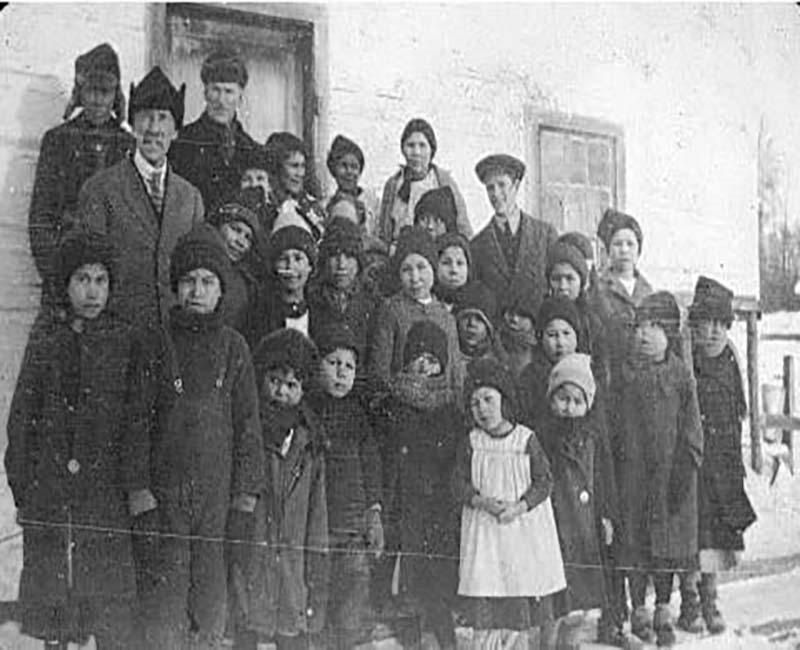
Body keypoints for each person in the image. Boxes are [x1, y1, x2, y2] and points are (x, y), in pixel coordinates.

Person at [5, 231, 144, 650]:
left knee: (105, 601)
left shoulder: (122, 341)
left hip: (104, 497)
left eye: (101, 280)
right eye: (82, 279)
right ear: (65, 284)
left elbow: (135, 420)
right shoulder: (46, 339)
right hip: (50, 492)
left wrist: (133, 484)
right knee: (55, 599)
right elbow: (21, 421)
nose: (92, 291)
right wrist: (25, 490)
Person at [135, 229, 265, 650]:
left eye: (208, 281)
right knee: (167, 592)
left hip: (218, 492)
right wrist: (139, 491)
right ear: (175, 287)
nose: (197, 290)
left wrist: (245, 497)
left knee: (211, 590)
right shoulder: (157, 342)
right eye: (188, 280)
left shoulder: (234, 348)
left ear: (221, 289)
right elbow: (136, 421)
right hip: (166, 489)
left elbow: (248, 425)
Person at [78, 66, 204, 334]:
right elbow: (89, 267)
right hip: (118, 337)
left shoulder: (190, 198)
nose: (154, 128)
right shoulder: (101, 189)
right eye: (146, 117)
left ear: (176, 130)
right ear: (133, 125)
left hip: (174, 339)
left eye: (163, 118)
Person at [453, 358, 565, 649]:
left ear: (504, 400)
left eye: (489, 399)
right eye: (475, 403)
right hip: (485, 529)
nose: (483, 409)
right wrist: (481, 501)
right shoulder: (472, 442)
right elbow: (458, 483)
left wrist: (519, 506)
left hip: (520, 528)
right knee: (487, 587)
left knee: (516, 587)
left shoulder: (525, 440)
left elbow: (545, 482)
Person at [613, 292, 703, 647]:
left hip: (671, 479)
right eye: (639, 327)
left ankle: (664, 607)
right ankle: (639, 609)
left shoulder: (681, 377)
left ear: (670, 334)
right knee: (635, 545)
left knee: (667, 547)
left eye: (654, 327)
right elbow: (614, 426)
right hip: (632, 478)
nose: (644, 335)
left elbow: (693, 428)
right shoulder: (623, 376)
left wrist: (686, 464)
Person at [231, 328, 329, 650]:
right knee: (246, 625)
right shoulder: (247, 432)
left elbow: (317, 513)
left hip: (292, 565)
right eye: (274, 381)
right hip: (253, 554)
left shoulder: (308, 442)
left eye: (292, 385)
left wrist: (316, 564)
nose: (281, 392)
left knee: (292, 631)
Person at [28, 43, 134, 324]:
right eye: (91, 91)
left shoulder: (128, 145)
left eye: (106, 92)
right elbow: (40, 217)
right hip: (65, 277)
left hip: (110, 283)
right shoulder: (58, 141)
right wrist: (59, 275)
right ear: (79, 93)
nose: (98, 101)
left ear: (116, 96)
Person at [378, 321, 462, 650]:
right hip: (403, 498)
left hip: (438, 502)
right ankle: (408, 628)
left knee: (436, 573)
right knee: (405, 571)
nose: (425, 365)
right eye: (418, 357)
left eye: (433, 358)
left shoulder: (450, 407)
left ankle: (443, 631)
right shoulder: (393, 403)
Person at [684, 276, 756, 635]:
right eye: (704, 324)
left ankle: (710, 596)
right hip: (694, 462)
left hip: (722, 462)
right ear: (692, 326)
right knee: (692, 531)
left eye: (719, 324)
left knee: (715, 534)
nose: (711, 332)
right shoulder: (686, 360)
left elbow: (739, 413)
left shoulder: (731, 360)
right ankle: (690, 600)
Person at [539, 353, 623, 649]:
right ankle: (548, 642)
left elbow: (605, 479)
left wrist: (608, 516)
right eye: (563, 399)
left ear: (587, 404)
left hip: (586, 528)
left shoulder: (593, 437)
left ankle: (571, 643)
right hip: (557, 527)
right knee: (556, 596)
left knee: (583, 597)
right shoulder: (544, 438)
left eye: (577, 401)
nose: (569, 408)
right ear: (551, 399)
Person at [308, 324, 384, 650]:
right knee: (319, 589)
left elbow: (371, 468)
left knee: (354, 586)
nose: (341, 373)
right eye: (333, 363)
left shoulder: (359, 417)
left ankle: (351, 639)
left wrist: (374, 513)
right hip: (318, 521)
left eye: (349, 367)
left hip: (353, 522)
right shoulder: (307, 412)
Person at [367, 226, 462, 397]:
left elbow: (455, 376)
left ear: (433, 268)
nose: (415, 277)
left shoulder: (446, 317)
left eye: (421, 267)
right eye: (406, 270)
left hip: (440, 406)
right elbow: (380, 371)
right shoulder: (391, 310)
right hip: (401, 402)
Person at [470, 154, 558, 321]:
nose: (496, 194)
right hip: (498, 340)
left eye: (502, 185)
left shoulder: (544, 235)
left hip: (536, 335)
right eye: (490, 188)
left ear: (516, 186)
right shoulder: (477, 245)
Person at [169, 49, 260, 210]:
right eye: (216, 90)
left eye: (229, 92)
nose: (221, 101)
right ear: (205, 93)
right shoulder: (183, 142)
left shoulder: (251, 149)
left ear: (240, 97)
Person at [378, 118, 471, 246]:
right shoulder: (393, 185)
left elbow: (463, 227)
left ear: (431, 149)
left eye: (422, 145)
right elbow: (384, 232)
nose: (416, 152)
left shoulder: (443, 181)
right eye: (410, 145)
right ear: (403, 149)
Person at [308, 216, 381, 358]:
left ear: (359, 261)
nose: (341, 265)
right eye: (334, 256)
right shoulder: (311, 298)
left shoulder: (373, 303)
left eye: (349, 256)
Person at [546, 241, 610, 387]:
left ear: (581, 281)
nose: (563, 286)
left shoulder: (592, 322)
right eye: (556, 279)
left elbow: (601, 371)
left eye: (569, 279)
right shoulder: (542, 317)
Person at [518, 296, 586, 432]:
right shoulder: (530, 376)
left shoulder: (587, 372)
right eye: (552, 335)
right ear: (540, 337)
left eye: (566, 333)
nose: (560, 342)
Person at [207, 199, 264, 345]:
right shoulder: (192, 266)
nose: (241, 242)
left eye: (248, 238)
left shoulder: (247, 286)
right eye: (236, 230)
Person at [257, 224, 317, 339]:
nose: (290, 266)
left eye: (298, 258)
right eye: (283, 259)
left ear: (309, 266)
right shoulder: (261, 315)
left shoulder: (319, 312)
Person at [264, 131, 327, 240]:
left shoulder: (312, 206)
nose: (300, 174)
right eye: (294, 166)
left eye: (303, 166)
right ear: (277, 168)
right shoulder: (265, 204)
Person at [326, 134, 380, 238]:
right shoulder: (326, 206)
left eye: (354, 167)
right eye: (343, 166)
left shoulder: (373, 204)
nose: (349, 172)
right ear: (334, 168)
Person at [454, 281, 508, 366]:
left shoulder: (499, 363)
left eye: (479, 319)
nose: (471, 324)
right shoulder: (447, 357)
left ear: (489, 327)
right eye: (466, 317)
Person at [498, 291, 539, 380]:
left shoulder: (539, 352)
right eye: (511, 313)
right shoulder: (493, 343)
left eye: (522, 315)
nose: (514, 319)